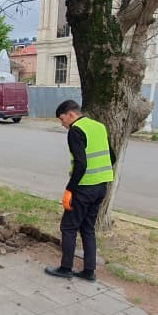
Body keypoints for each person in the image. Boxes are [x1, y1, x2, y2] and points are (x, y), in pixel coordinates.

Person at [44, 100, 115, 282]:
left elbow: (81, 164)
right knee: (87, 228)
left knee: (68, 227)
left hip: (84, 189)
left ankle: (66, 268)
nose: (63, 124)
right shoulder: (99, 127)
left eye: (62, 120)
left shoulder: (76, 130)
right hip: (101, 187)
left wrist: (70, 189)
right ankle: (89, 271)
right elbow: (112, 156)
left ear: (71, 114)